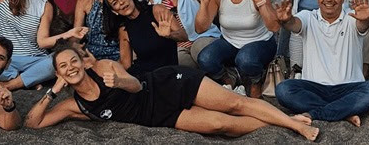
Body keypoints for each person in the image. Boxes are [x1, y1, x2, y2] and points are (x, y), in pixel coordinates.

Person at [22, 46, 322, 141]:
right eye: (63, 66)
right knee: (222, 125)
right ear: (60, 73)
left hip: (166, 84)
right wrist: (52, 93)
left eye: (73, 60)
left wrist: (120, 83)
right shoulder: (74, 106)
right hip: (160, 116)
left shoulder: (103, 67)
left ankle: (295, 125)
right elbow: (32, 124)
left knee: (234, 103)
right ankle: (285, 120)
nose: (71, 67)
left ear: (81, 61)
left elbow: (137, 85)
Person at [273, 0, 369, 126]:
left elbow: (363, 25)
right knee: (283, 90)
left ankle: (316, 113)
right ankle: (344, 112)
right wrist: (285, 20)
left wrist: (367, 19)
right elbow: (293, 24)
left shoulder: (352, 18)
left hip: (349, 89)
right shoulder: (308, 16)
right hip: (314, 88)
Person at [194, 0, 284, 98]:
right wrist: (204, 2)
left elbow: (274, 27)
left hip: (261, 42)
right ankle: (229, 79)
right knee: (205, 58)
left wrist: (260, 2)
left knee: (245, 59)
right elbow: (200, 28)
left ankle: (255, 81)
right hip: (230, 43)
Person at [101, 0, 185, 75]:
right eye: (115, 3)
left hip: (170, 74)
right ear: (114, 11)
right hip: (145, 77)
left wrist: (170, 35)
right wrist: (101, 67)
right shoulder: (123, 30)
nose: (121, 2)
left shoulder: (157, 10)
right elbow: (125, 65)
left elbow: (184, 36)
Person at [151, 0, 219, 67]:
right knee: (182, 65)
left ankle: (227, 75)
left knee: (199, 50)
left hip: (203, 37)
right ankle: (207, 81)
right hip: (180, 45)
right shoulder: (157, 0)